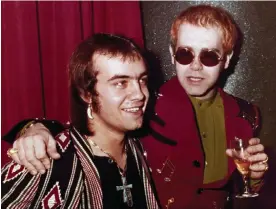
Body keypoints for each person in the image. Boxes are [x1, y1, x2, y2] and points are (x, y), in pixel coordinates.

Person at [4, 5, 268, 209]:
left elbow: (241, 192)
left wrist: (255, 177)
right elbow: (86, 128)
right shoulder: (148, 107)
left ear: (227, 59)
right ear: (172, 52)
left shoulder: (246, 115)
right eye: (185, 54)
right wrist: (33, 128)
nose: (196, 66)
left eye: (209, 56)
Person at [1, 33, 160, 209]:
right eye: (121, 83)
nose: (139, 94)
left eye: (142, 80)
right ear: (87, 94)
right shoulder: (48, 158)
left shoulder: (144, 148)